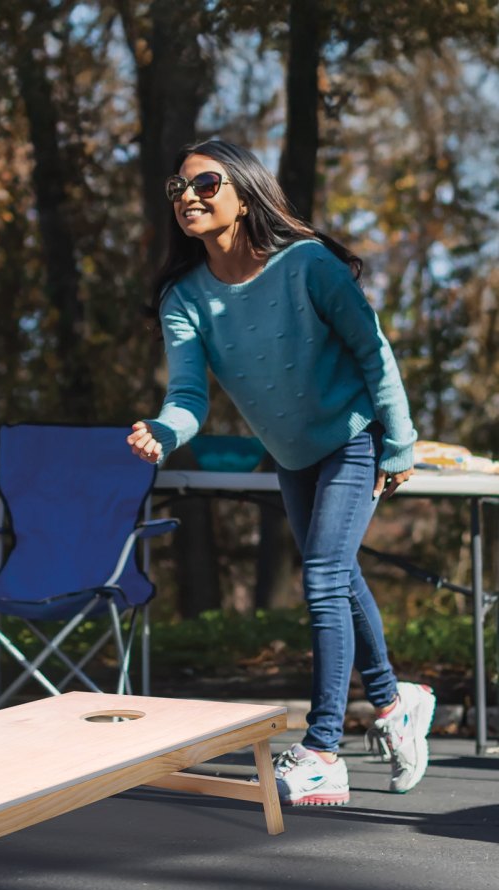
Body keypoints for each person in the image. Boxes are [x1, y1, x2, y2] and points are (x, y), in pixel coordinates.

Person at [128, 139, 435, 806]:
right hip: (293, 454)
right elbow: (188, 397)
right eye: (177, 188)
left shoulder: (308, 265)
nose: (187, 196)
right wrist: (164, 432)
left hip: (353, 436)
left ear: (244, 194)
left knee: (322, 575)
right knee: (339, 575)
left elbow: (373, 350)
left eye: (205, 183)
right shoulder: (185, 297)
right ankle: (395, 702)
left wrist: (400, 443)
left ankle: (323, 750)